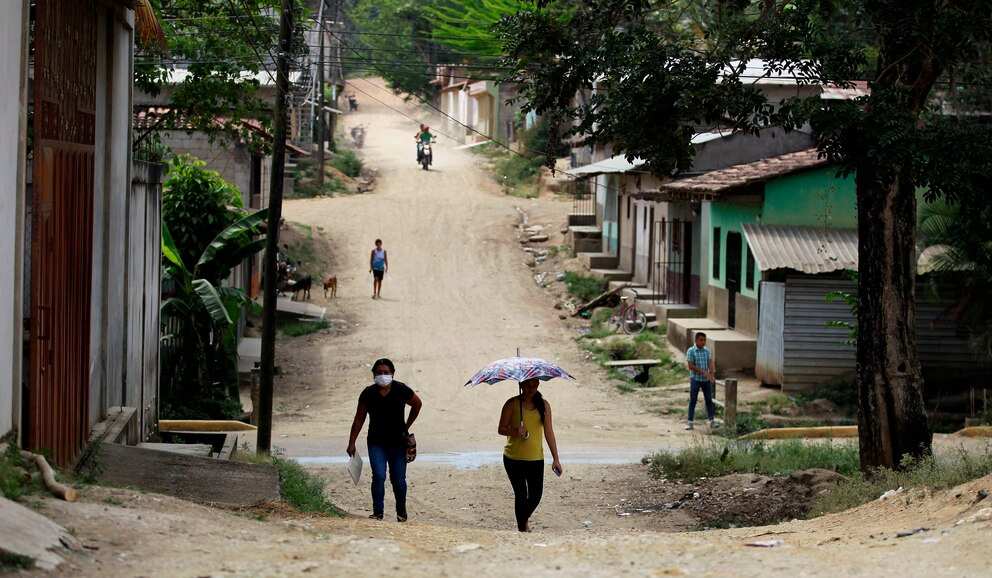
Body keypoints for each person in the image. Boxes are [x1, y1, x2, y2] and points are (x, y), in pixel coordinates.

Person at [347, 358, 423, 522]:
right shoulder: (368, 393)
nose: (383, 375)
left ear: (393, 374)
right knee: (379, 475)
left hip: (398, 442)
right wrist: (351, 442)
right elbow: (359, 419)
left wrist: (406, 425)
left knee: (398, 479)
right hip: (376, 442)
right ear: (373, 374)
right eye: (379, 373)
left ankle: (401, 513)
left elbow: (417, 404)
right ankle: (378, 512)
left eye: (386, 373)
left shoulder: (401, 390)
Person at [497, 378, 563, 532]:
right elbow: (501, 429)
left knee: (535, 496)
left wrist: (556, 458)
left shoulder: (544, 406)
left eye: (534, 385)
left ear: (538, 384)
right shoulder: (511, 404)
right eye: (527, 385)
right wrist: (515, 431)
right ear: (521, 385)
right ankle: (522, 528)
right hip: (513, 459)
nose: (531, 388)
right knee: (520, 494)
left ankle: (523, 520)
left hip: (535, 459)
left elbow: (549, 432)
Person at [685, 332, 718, 430]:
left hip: (705, 380)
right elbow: (690, 366)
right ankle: (690, 422)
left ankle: (712, 421)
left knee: (709, 400)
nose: (703, 342)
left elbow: (710, 362)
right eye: (701, 340)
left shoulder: (707, 351)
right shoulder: (691, 351)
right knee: (693, 400)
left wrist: (711, 374)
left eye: (704, 340)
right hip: (695, 379)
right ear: (696, 340)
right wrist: (703, 372)